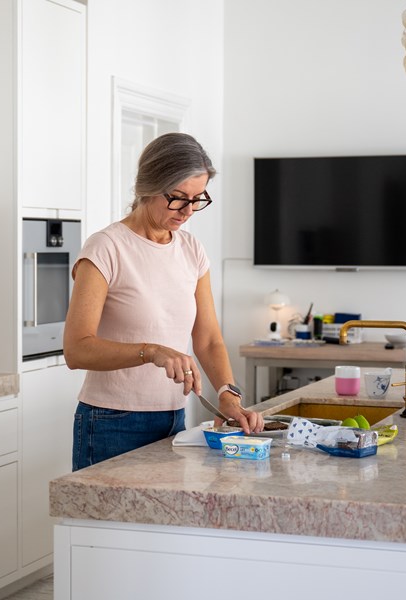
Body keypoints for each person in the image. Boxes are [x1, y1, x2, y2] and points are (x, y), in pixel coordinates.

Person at [63, 132, 264, 471]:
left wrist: (229, 395)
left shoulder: (191, 250)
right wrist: (151, 351)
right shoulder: (106, 248)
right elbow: (76, 349)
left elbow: (209, 338)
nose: (188, 210)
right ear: (147, 187)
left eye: (198, 198)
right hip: (111, 421)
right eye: (177, 197)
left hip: (173, 418)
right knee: (112, 526)